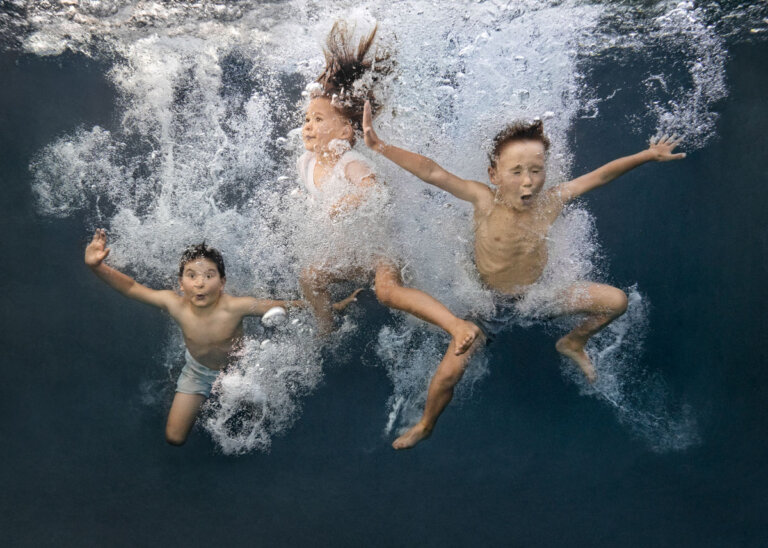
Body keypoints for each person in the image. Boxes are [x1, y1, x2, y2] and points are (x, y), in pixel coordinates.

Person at [363, 107, 685, 448]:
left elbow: (601, 176)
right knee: (449, 374)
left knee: (616, 302)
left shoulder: (552, 202)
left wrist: (647, 155)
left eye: (536, 170)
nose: (528, 180)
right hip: (487, 306)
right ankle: (426, 424)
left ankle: (573, 342)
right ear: (494, 174)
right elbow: (432, 172)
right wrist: (380, 146)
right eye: (516, 171)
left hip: (536, 297)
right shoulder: (483, 199)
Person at [296, 22, 481, 368]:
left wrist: (346, 202)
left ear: (344, 130)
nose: (307, 125)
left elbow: (375, 190)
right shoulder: (305, 162)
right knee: (310, 276)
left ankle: (457, 325)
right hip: (350, 251)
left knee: (387, 292)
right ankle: (326, 329)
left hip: (381, 248)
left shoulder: (349, 161)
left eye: (318, 119)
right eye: (306, 118)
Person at [84, 229, 359, 446]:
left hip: (241, 367)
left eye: (208, 275)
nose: (200, 282)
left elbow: (285, 305)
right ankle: (203, 393)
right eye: (191, 276)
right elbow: (132, 287)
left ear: (222, 282)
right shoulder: (173, 304)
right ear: (181, 283)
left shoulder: (235, 306)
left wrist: (331, 307)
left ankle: (241, 402)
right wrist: (97, 267)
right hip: (199, 371)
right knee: (174, 437)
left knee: (257, 413)